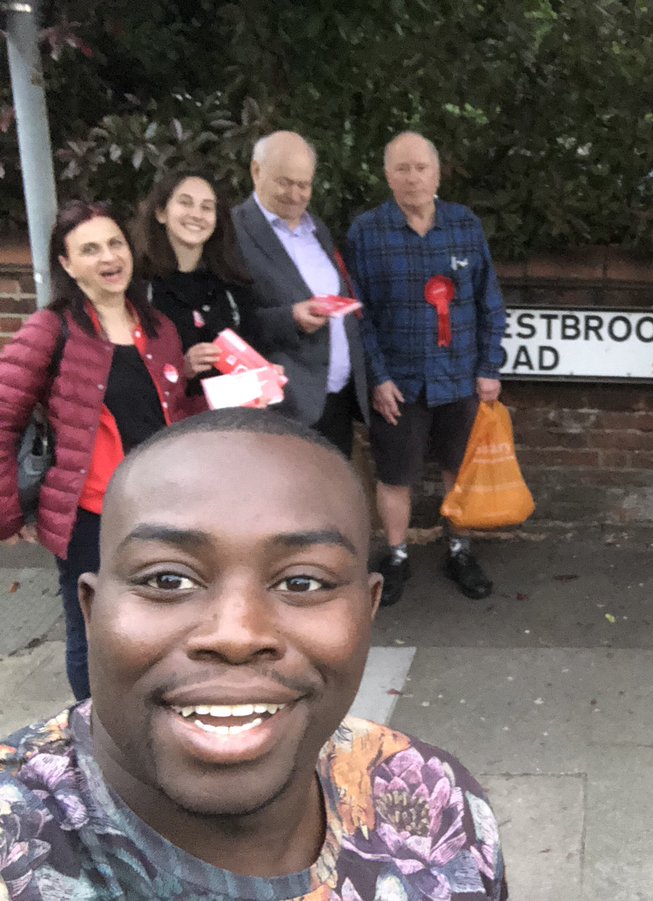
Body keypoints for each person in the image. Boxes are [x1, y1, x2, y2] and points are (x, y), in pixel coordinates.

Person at [0, 408, 508, 899]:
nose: (236, 635)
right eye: (168, 579)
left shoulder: (434, 803)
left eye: (303, 581)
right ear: (90, 611)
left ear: (367, 609)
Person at [0, 200, 191, 700]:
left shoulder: (157, 327)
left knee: (161, 624)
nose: (108, 257)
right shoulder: (51, 329)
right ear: (66, 265)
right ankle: (94, 736)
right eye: (89, 249)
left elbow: (179, 409)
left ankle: (151, 722)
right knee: (93, 633)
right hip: (93, 517)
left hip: (162, 510)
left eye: (114, 243)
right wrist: (9, 510)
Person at [346, 132, 506, 606]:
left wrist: (489, 366)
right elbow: (359, 314)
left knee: (459, 470)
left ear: (437, 173)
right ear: (387, 175)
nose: (412, 177)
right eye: (402, 168)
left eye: (421, 168)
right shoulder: (366, 232)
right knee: (395, 474)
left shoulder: (465, 225)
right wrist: (377, 377)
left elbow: (488, 302)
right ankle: (395, 556)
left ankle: (459, 548)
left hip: (460, 376)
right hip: (398, 380)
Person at [232, 131, 371, 456]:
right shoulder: (233, 231)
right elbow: (228, 321)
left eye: (304, 184)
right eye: (285, 182)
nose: (295, 195)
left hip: (335, 398)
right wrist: (289, 318)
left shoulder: (317, 229)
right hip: (281, 404)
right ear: (256, 171)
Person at [131, 171, 259, 406]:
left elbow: (253, 349)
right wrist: (182, 368)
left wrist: (263, 374)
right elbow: (128, 370)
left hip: (229, 426)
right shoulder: (139, 287)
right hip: (169, 431)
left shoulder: (233, 286)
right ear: (161, 213)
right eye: (185, 203)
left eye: (207, 207)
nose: (197, 215)